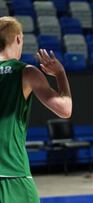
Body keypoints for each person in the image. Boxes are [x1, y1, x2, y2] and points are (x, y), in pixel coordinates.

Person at [0, 16, 72, 203]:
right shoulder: (26, 72)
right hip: (12, 173)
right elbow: (65, 109)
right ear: (18, 39)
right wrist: (60, 73)